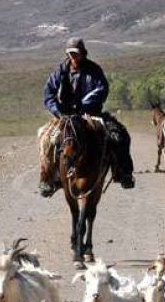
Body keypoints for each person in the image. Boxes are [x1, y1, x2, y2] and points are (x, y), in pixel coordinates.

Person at [39, 37, 134, 197]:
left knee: (119, 135)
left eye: (76, 53)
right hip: (65, 116)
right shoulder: (60, 72)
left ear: (83, 53)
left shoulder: (94, 70)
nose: (73, 57)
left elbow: (102, 88)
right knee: (45, 138)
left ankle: (123, 173)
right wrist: (58, 110)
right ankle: (49, 179)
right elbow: (48, 93)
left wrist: (85, 105)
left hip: (90, 113)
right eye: (70, 53)